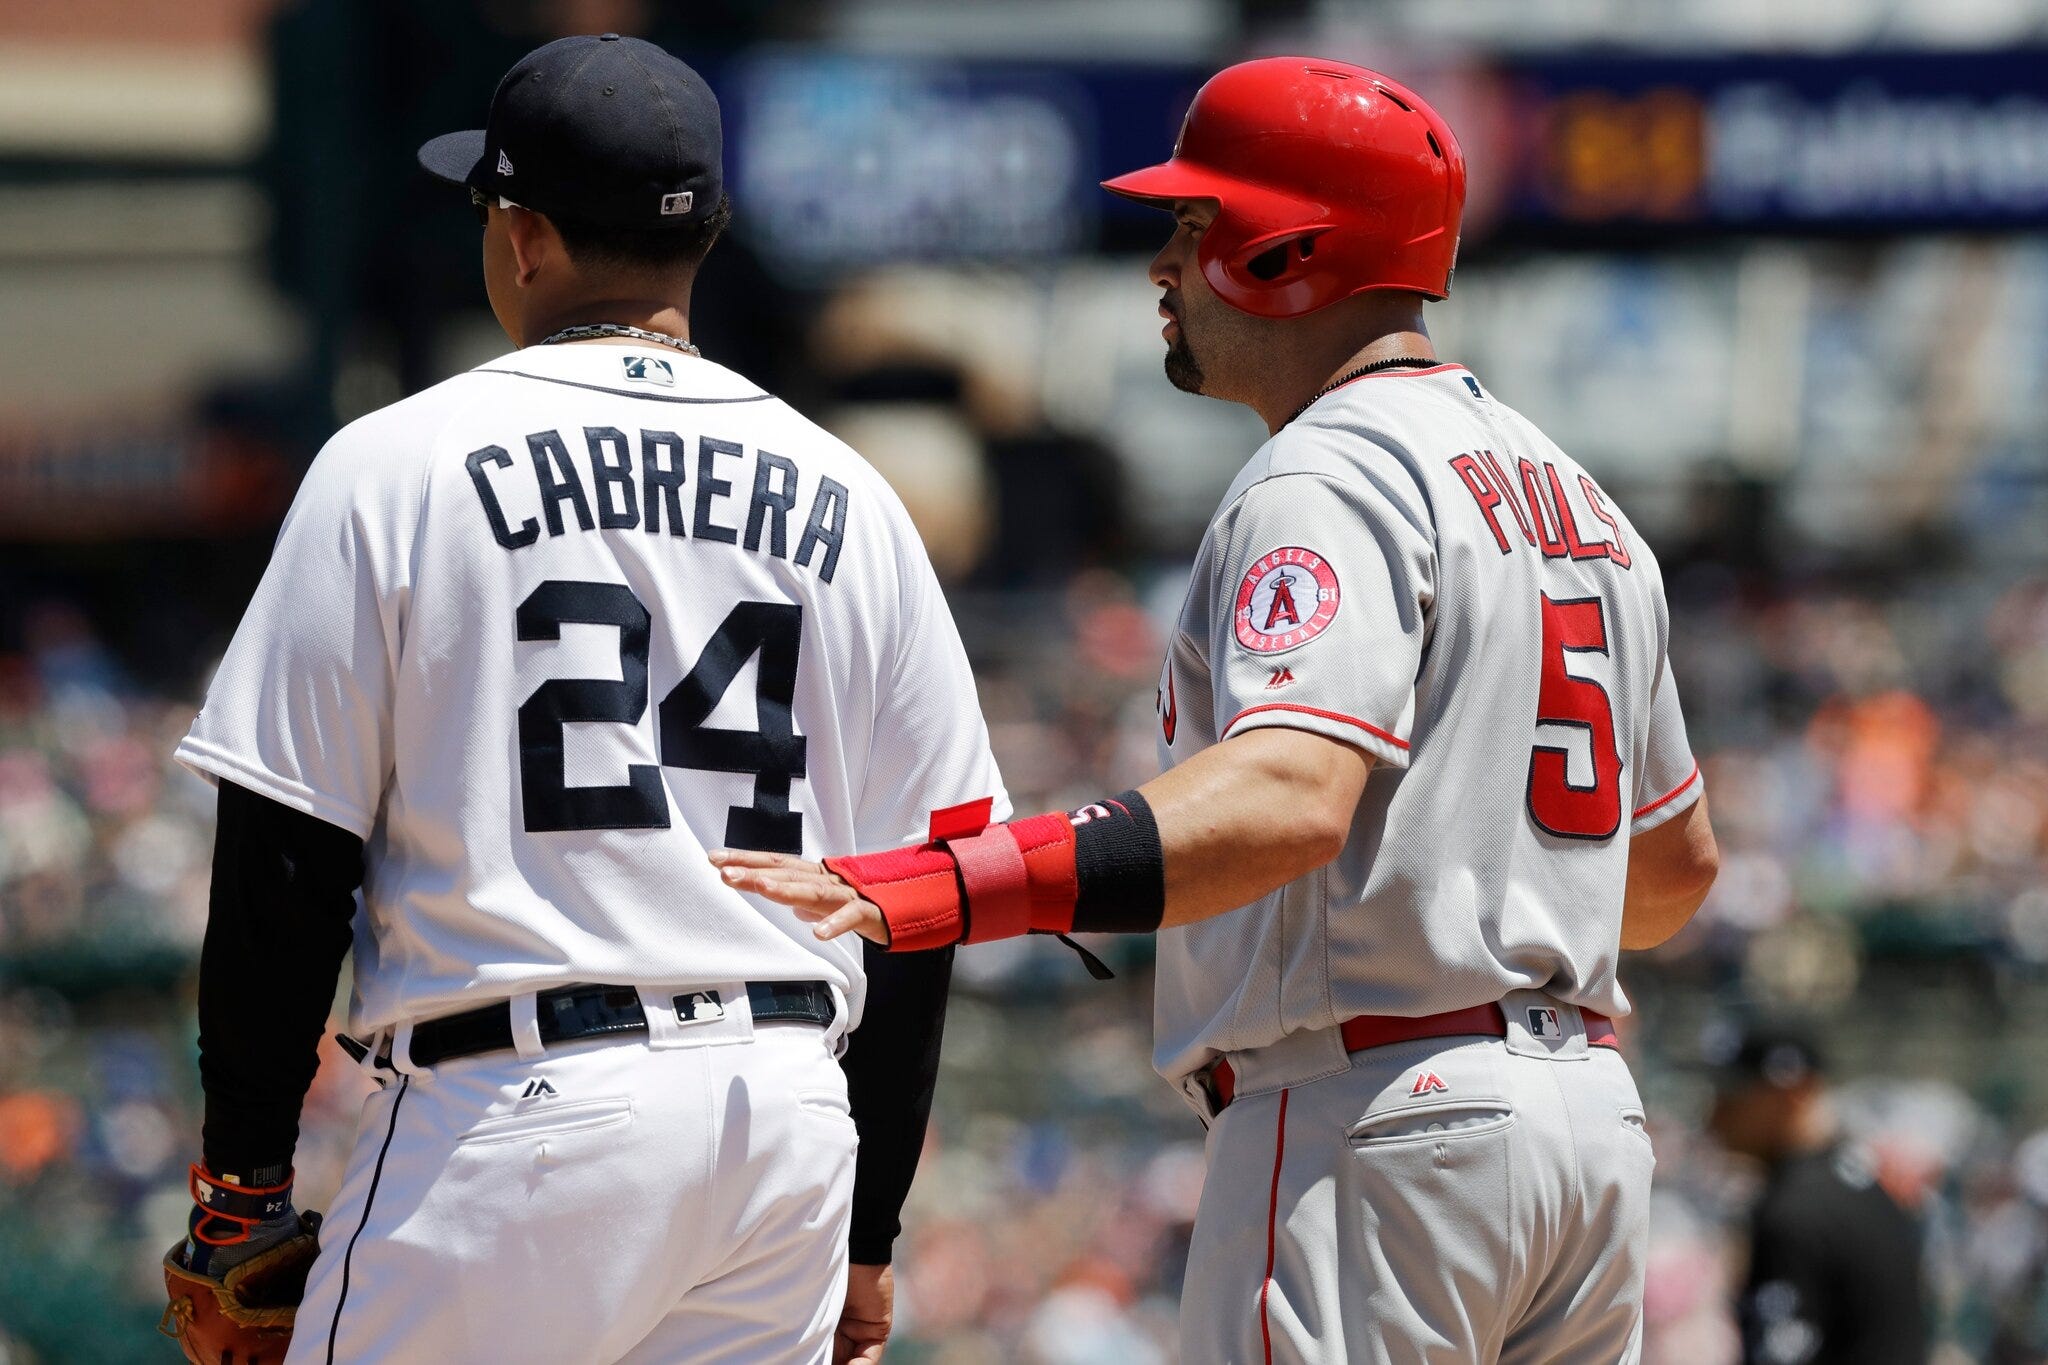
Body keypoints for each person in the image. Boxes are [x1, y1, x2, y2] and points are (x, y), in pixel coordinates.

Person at [715, 56, 1720, 1363]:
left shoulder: (1324, 473)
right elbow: (1671, 873)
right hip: (1586, 1131)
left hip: (1377, 1124)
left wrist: (970, 881)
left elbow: (1290, 798)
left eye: (1196, 228)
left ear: (1287, 251)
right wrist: (1484, 891)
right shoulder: (1581, 504)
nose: (1163, 267)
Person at [167, 34, 1002, 1364]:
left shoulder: (398, 460)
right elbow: (920, 898)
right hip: (779, 1126)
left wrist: (241, 1189)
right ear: (707, 240)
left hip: (520, 1116)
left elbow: (286, 852)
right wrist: (869, 1230)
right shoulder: (853, 494)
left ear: (524, 236)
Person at [1709, 1024, 1929, 1365]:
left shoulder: (1796, 1209)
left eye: (1736, 1095)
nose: (1716, 1113)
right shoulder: (1862, 1184)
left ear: (1792, 1093)